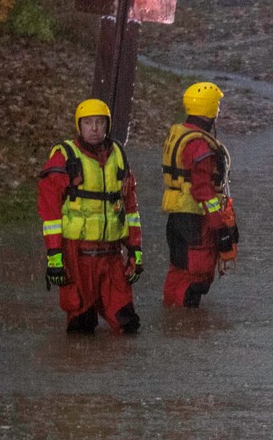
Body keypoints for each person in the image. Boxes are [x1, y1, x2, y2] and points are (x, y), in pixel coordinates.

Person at [37, 98, 144, 333]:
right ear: (79, 126)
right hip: (78, 256)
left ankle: (116, 370)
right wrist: (54, 256)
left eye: (99, 123)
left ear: (107, 125)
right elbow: (50, 213)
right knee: (81, 329)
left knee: (128, 324)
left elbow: (131, 209)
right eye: (88, 123)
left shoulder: (118, 156)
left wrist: (135, 249)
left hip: (111, 256)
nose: (94, 129)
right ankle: (79, 368)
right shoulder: (64, 158)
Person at [160, 81, 239, 308]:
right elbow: (203, 190)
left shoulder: (180, 134)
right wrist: (221, 228)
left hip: (177, 217)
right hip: (195, 220)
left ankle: (173, 321)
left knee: (179, 270)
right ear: (211, 109)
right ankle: (186, 328)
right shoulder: (199, 146)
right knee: (196, 274)